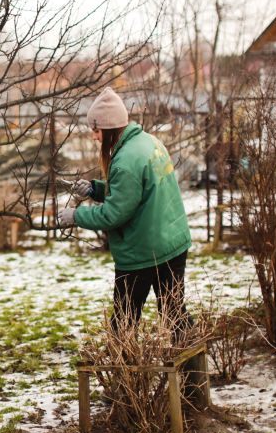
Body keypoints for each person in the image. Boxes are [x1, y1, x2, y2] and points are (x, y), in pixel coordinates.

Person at [57, 87, 193, 338]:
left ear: (108, 129)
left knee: (124, 322)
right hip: (171, 243)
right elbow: (136, 193)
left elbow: (114, 214)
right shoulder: (149, 142)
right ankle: (193, 373)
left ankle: (124, 374)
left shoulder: (126, 160)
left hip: (143, 251)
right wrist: (95, 190)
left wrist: (75, 217)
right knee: (175, 314)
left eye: (96, 130)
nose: (94, 137)